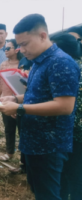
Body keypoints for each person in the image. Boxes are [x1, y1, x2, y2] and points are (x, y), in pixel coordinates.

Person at [0, 14, 80, 200]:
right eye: (19, 45)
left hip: (49, 146)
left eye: (25, 44)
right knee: (39, 191)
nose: (21, 50)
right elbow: (38, 95)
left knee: (49, 194)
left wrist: (20, 109)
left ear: (42, 36)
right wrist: (16, 99)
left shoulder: (60, 62)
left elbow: (64, 106)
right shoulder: (40, 62)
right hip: (34, 142)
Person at [49, 33, 82, 200]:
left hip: (74, 133)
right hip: (69, 132)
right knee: (70, 175)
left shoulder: (68, 68)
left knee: (72, 174)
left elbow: (66, 105)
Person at [0, 39, 23, 161]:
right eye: (4, 49)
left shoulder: (23, 64)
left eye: (8, 48)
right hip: (6, 100)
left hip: (20, 102)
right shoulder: (3, 64)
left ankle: (24, 157)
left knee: (22, 130)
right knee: (9, 128)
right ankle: (9, 153)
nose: (5, 51)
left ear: (17, 49)